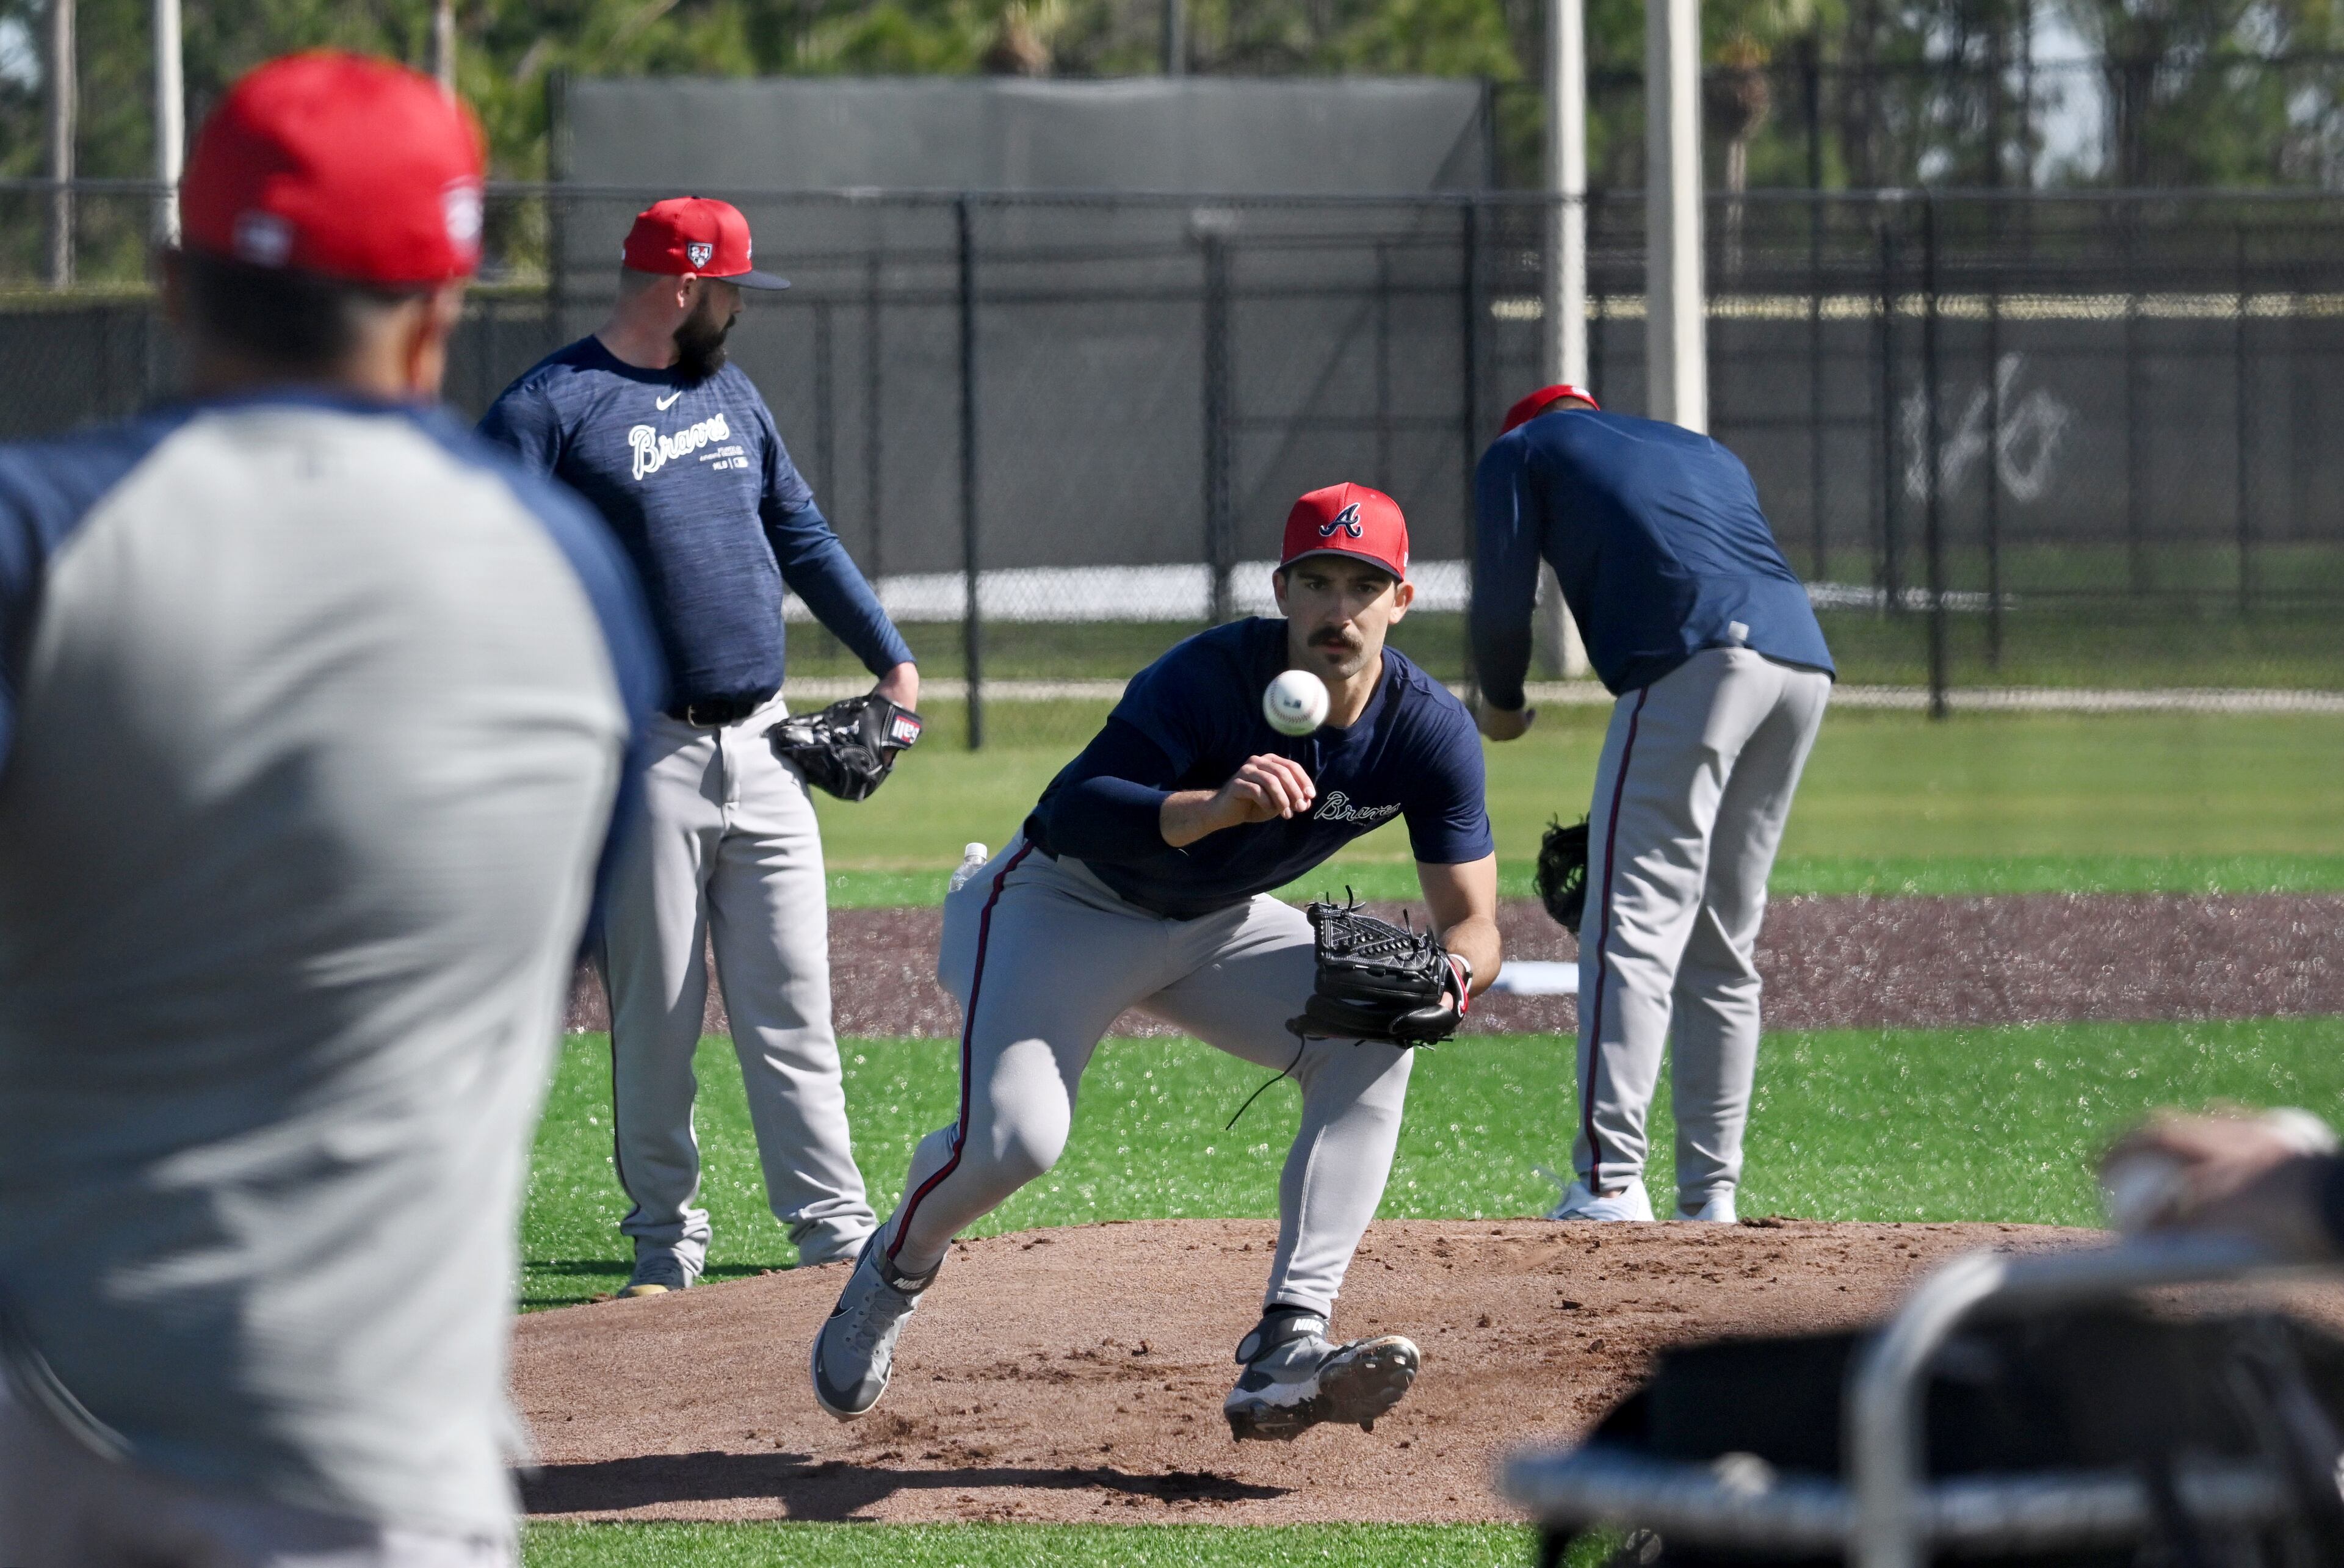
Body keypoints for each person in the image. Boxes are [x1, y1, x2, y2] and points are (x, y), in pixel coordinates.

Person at [0, 52, 660, 1568]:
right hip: (376, 1461)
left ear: (175, 282)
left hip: (41, 1441)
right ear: (442, 308)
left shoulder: (41, 536)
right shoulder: (573, 581)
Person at [810, 482, 1502, 1440]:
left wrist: (1457, 978)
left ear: (1401, 600)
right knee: (1015, 1144)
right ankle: (894, 1268)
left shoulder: (1428, 730)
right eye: (1317, 582)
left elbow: (1474, 921)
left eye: (1362, 584)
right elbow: (1083, 807)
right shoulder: (1212, 674)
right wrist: (1216, 807)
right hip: (1060, 902)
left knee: (1374, 1034)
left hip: (1214, 921)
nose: (1338, 608)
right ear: (1283, 590)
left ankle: (1287, 1347)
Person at [479, 197, 917, 1294]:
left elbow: (800, 532)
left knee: (795, 1009)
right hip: (644, 758)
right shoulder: (550, 408)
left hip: (767, 749)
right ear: (685, 288)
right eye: (731, 288)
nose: (738, 308)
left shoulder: (727, 390)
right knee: (658, 1020)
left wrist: (894, 662)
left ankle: (832, 1236)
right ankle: (665, 1246)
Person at [1470, 385, 1834, 1225]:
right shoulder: (1699, 448)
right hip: (1801, 665)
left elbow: (1499, 609)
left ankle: (1608, 1182)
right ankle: (1712, 1196)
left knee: (1627, 921)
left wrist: (1502, 702)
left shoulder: (1521, 450)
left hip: (1695, 659)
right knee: (1721, 938)